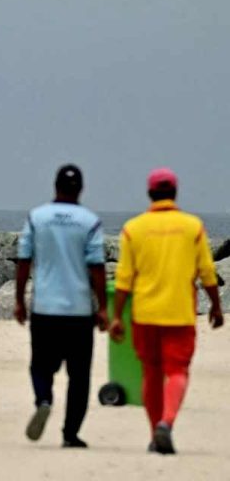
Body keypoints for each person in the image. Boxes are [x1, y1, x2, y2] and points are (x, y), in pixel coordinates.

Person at [110, 167, 224, 455]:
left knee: (151, 373)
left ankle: (154, 434)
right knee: (177, 371)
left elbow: (124, 279)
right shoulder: (192, 227)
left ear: (149, 194)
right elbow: (207, 272)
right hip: (179, 313)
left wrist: (116, 316)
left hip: (144, 314)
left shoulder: (132, 229)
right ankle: (167, 423)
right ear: (175, 193)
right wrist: (216, 306)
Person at [15, 164, 108, 448]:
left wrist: (19, 300)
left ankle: (43, 399)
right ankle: (70, 434)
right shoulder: (89, 221)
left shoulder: (37, 217)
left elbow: (24, 260)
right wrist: (103, 307)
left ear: (55, 186)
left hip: (45, 308)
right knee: (79, 376)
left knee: (40, 366)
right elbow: (97, 268)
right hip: (79, 311)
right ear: (80, 189)